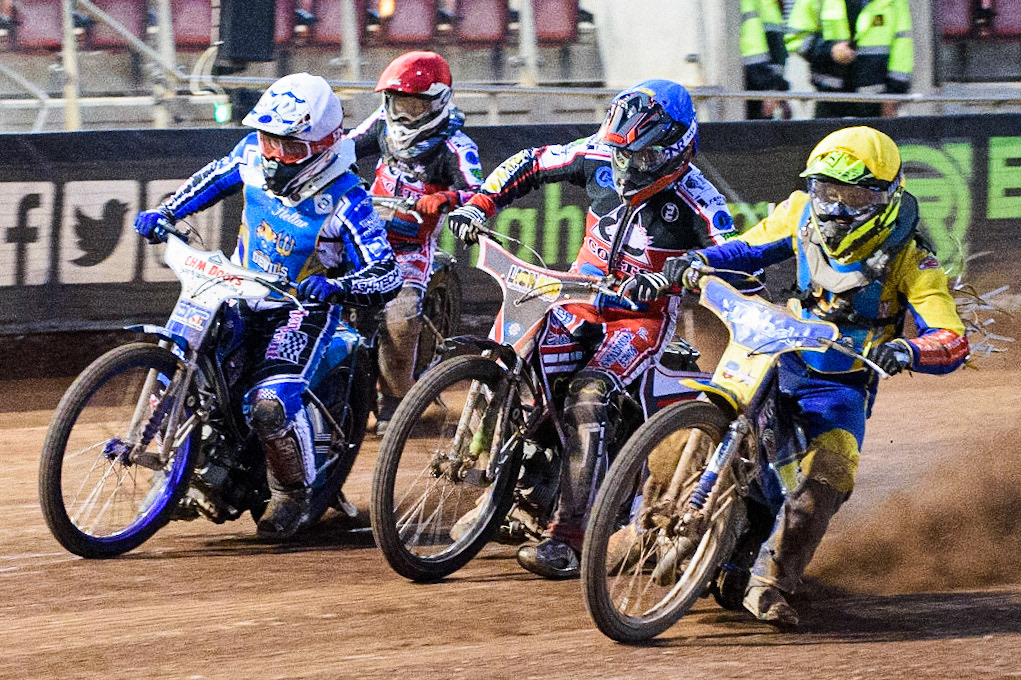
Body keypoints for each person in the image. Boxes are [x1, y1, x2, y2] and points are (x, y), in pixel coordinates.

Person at [623, 126, 970, 625]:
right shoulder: (799, 213)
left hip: (841, 379)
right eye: (827, 193)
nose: (835, 209)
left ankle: (771, 582)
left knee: (829, 474)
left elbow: (951, 337)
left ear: (886, 196)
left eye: (852, 196)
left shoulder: (913, 255)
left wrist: (909, 350)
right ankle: (645, 522)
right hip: (779, 347)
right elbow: (745, 249)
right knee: (702, 407)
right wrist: (694, 260)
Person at [445, 79, 736, 579]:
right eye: (621, 156)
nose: (626, 169)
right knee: (518, 363)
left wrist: (689, 271)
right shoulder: (601, 154)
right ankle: (508, 492)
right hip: (575, 297)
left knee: (587, 395)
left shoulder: (701, 199)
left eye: (641, 160)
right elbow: (531, 161)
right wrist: (481, 203)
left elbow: (734, 256)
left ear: (677, 150)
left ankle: (569, 537)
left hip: (641, 319)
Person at [133, 73, 403, 541]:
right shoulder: (250, 156)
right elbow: (210, 180)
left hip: (303, 309)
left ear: (324, 144)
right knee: (181, 363)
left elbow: (387, 273)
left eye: (291, 148)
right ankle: (174, 468)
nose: (276, 157)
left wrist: (336, 286)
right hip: (237, 290)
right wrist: (168, 212)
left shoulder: (347, 197)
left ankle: (292, 495)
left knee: (268, 405)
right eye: (268, 141)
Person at [345, 51, 483, 435]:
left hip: (411, 243)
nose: (405, 114)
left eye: (415, 105)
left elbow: (476, 191)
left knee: (400, 313)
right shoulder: (380, 125)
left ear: (437, 102)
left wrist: (446, 199)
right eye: (399, 103)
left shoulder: (456, 145)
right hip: (364, 230)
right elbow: (343, 148)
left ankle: (396, 397)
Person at [786, 0, 913, 119]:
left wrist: (894, 94)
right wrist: (829, 51)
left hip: (875, 102)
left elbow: (902, 48)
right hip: (830, 99)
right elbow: (796, 38)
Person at [741, 0, 791, 120]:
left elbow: (775, 48)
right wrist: (772, 87)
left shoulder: (767, 4)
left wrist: (773, 88)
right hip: (752, 85)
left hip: (756, 84)